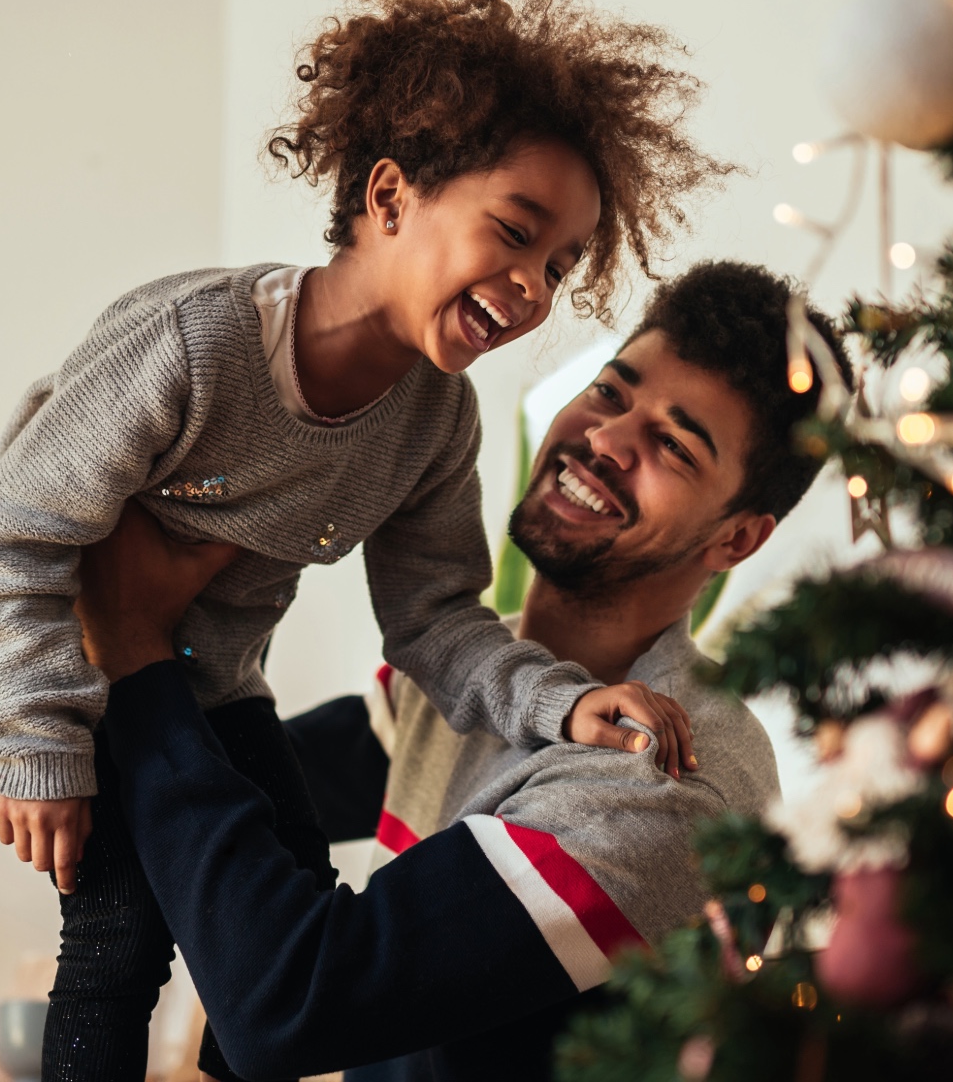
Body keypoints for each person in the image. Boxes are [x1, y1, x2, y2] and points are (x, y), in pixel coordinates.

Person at [0, 0, 729, 1082]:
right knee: (119, 944)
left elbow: (438, 620)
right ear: (388, 197)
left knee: (287, 901)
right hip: (44, 649)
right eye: (515, 232)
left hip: (203, 676)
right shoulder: (199, 345)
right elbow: (15, 532)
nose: (535, 288)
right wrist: (40, 739)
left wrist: (566, 703)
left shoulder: (437, 421)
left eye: (560, 265)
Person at [75, 262, 841, 1080]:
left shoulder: (668, 773)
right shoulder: (472, 677)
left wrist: (133, 643)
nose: (608, 440)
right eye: (612, 393)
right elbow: (204, 792)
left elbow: (286, 1005)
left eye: (675, 446)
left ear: (736, 540)